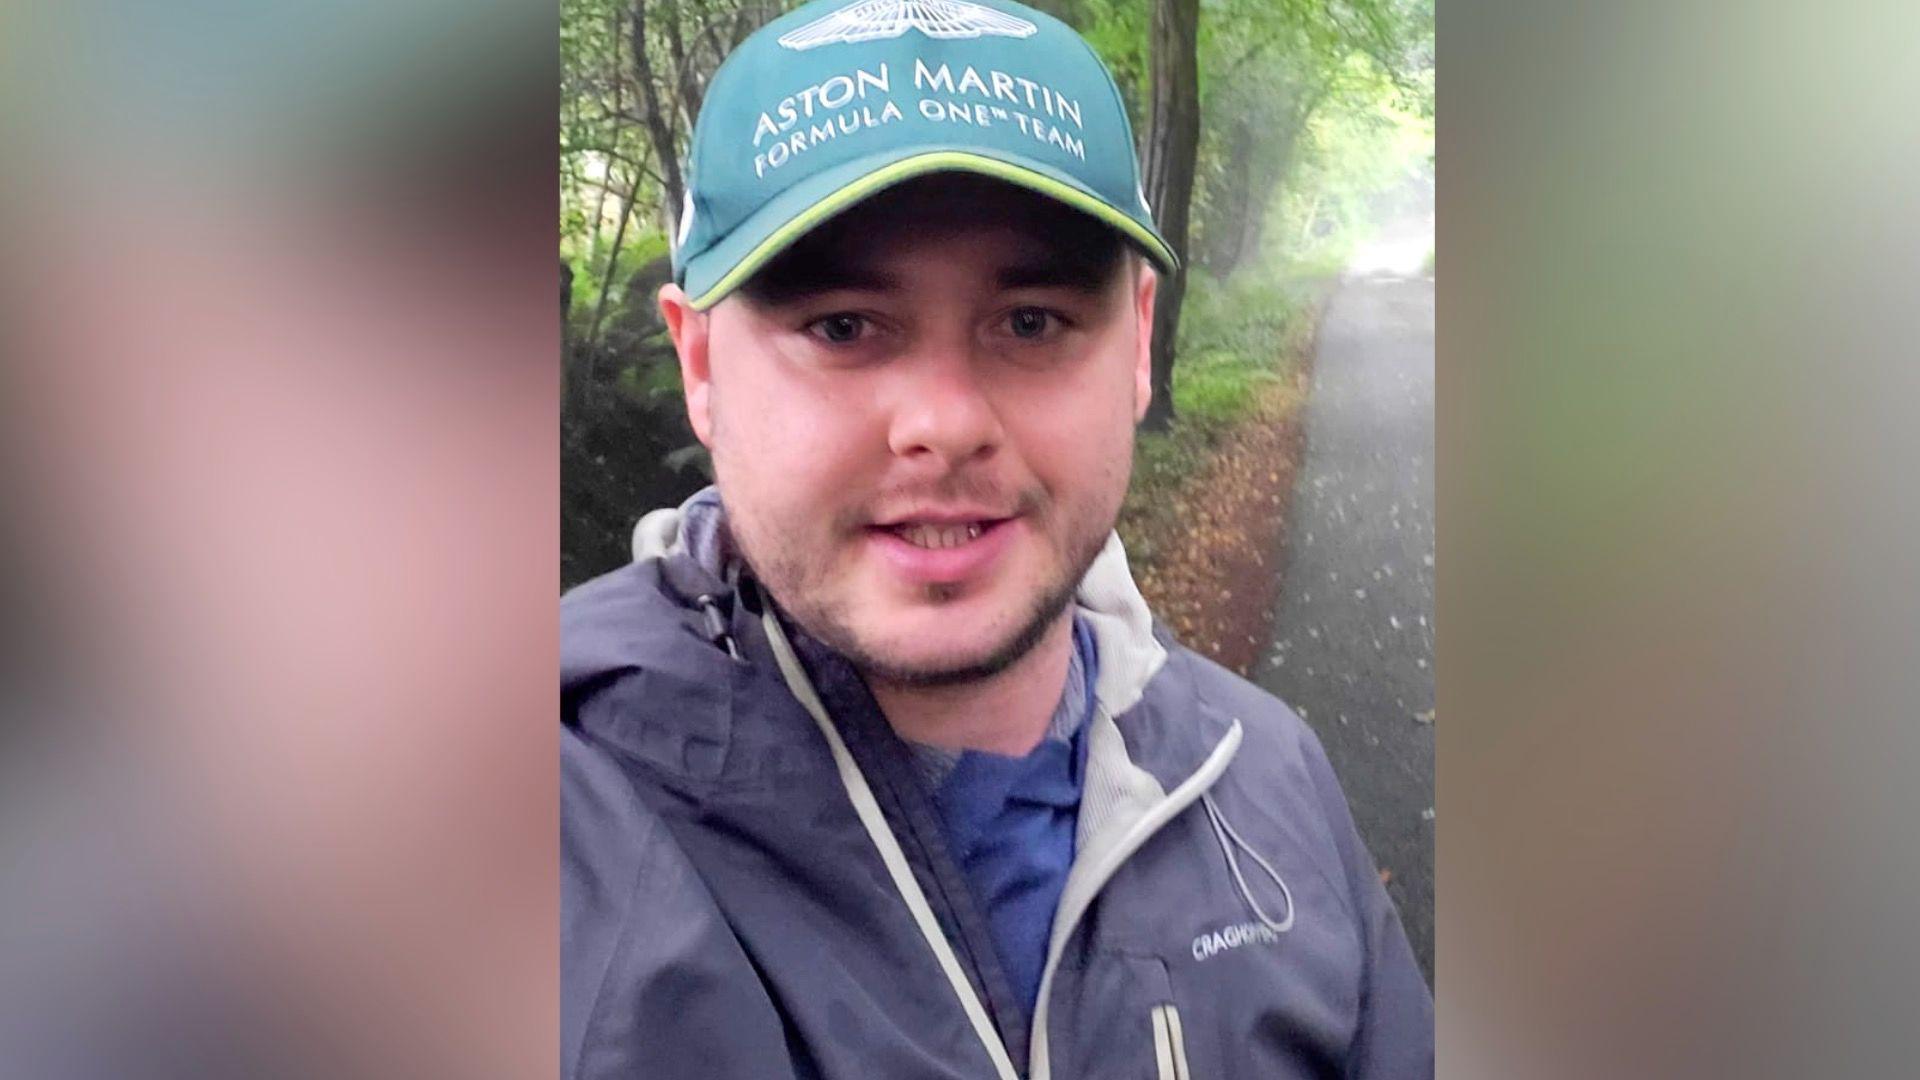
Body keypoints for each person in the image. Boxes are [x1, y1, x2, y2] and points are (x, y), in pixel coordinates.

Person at [561, 0, 1433, 1076]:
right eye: (842, 326)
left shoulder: (1265, 780)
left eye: (1031, 322)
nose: (945, 423)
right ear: (700, 366)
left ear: (1138, 344)